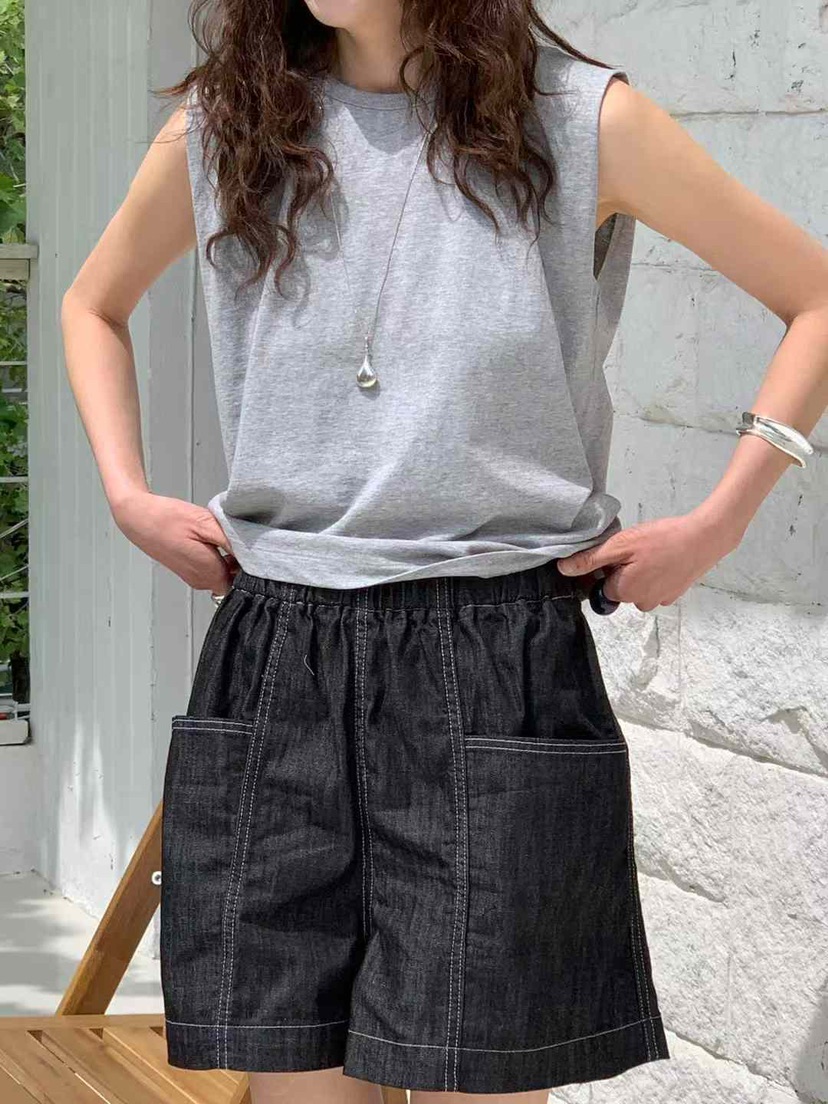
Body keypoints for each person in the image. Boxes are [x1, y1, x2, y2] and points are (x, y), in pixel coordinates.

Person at [60, 0, 828, 1101]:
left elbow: (815, 297)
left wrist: (719, 524)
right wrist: (127, 496)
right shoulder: (230, 124)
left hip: (498, 662)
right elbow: (91, 304)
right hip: (280, 659)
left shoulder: (583, 122)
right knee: (296, 1084)